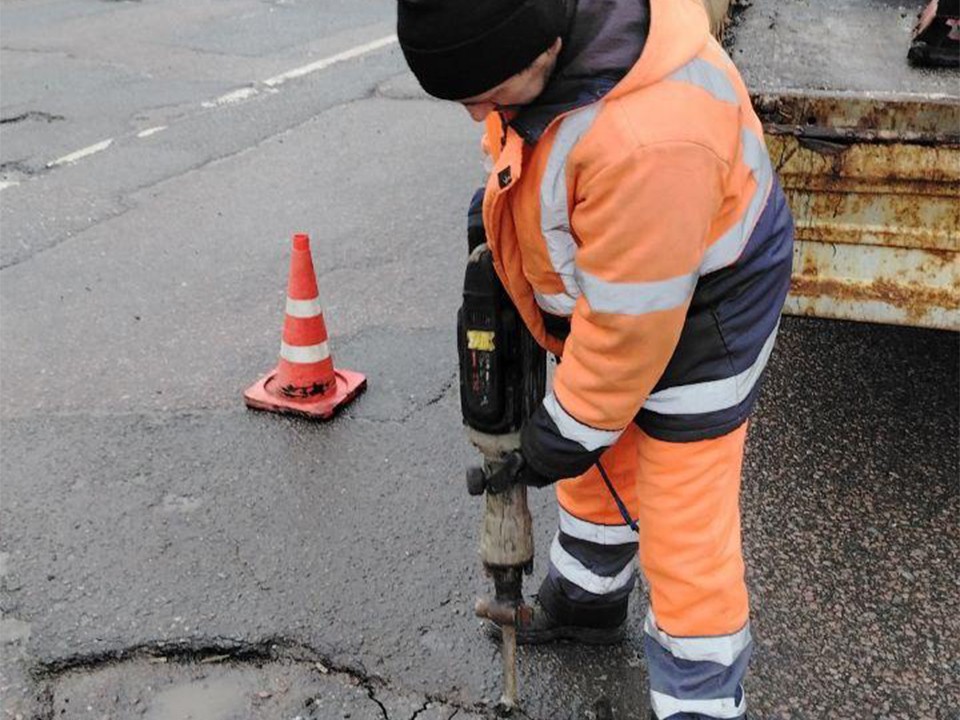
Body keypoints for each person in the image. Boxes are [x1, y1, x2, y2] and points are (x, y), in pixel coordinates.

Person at [397, 1, 794, 717]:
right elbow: (523, 154)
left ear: (544, 51)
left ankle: (700, 703)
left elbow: (627, 339)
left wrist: (563, 431)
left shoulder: (651, 138)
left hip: (712, 307)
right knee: (600, 457)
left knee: (683, 522)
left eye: (485, 97)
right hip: (621, 288)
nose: (476, 115)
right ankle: (588, 599)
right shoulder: (529, 54)